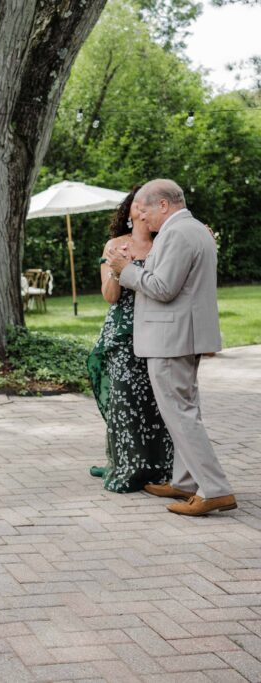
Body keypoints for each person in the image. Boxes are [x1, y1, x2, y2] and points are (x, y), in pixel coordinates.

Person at [106, 179, 234, 516]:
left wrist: (126, 270)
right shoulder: (196, 230)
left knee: (180, 414)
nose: (143, 219)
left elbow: (163, 287)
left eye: (145, 211)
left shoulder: (177, 233)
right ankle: (184, 482)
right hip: (184, 335)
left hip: (170, 338)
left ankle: (215, 489)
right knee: (185, 409)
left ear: (163, 205)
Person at [87, 188, 174, 492]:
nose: (145, 211)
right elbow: (110, 298)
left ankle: (160, 467)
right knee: (124, 402)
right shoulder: (114, 245)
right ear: (133, 210)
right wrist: (114, 270)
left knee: (156, 402)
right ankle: (127, 467)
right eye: (141, 205)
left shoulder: (165, 244)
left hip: (158, 332)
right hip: (123, 333)